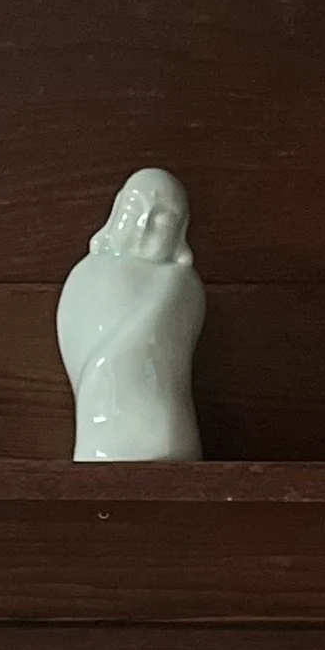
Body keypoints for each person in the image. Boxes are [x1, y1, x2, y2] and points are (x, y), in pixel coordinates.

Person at [56, 167, 205, 462]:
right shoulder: (83, 275)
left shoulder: (182, 285)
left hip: (166, 436)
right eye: (133, 208)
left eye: (162, 218)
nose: (143, 225)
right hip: (97, 437)